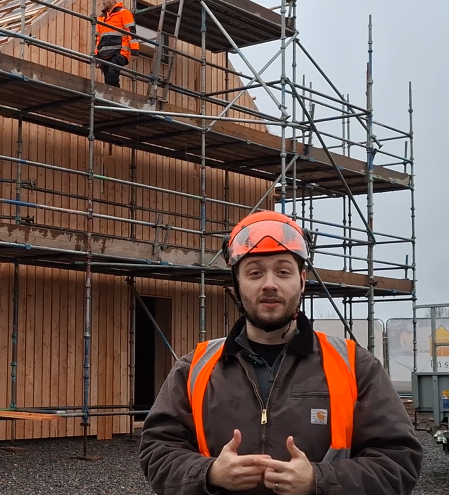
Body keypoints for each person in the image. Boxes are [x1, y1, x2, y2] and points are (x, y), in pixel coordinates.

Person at [139, 211, 422, 495]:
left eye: (283, 271)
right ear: (236, 283)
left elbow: (399, 461)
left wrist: (318, 480)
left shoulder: (354, 366)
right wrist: (210, 473)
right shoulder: (195, 368)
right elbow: (157, 451)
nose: (269, 284)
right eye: (255, 272)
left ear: (301, 280)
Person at [95, 0, 138, 88]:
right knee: (108, 80)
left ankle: (114, 97)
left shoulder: (124, 13)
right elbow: (98, 39)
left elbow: (131, 32)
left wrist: (135, 50)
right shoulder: (101, 18)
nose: (103, 2)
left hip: (119, 52)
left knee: (112, 76)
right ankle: (112, 98)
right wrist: (96, 55)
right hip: (104, 54)